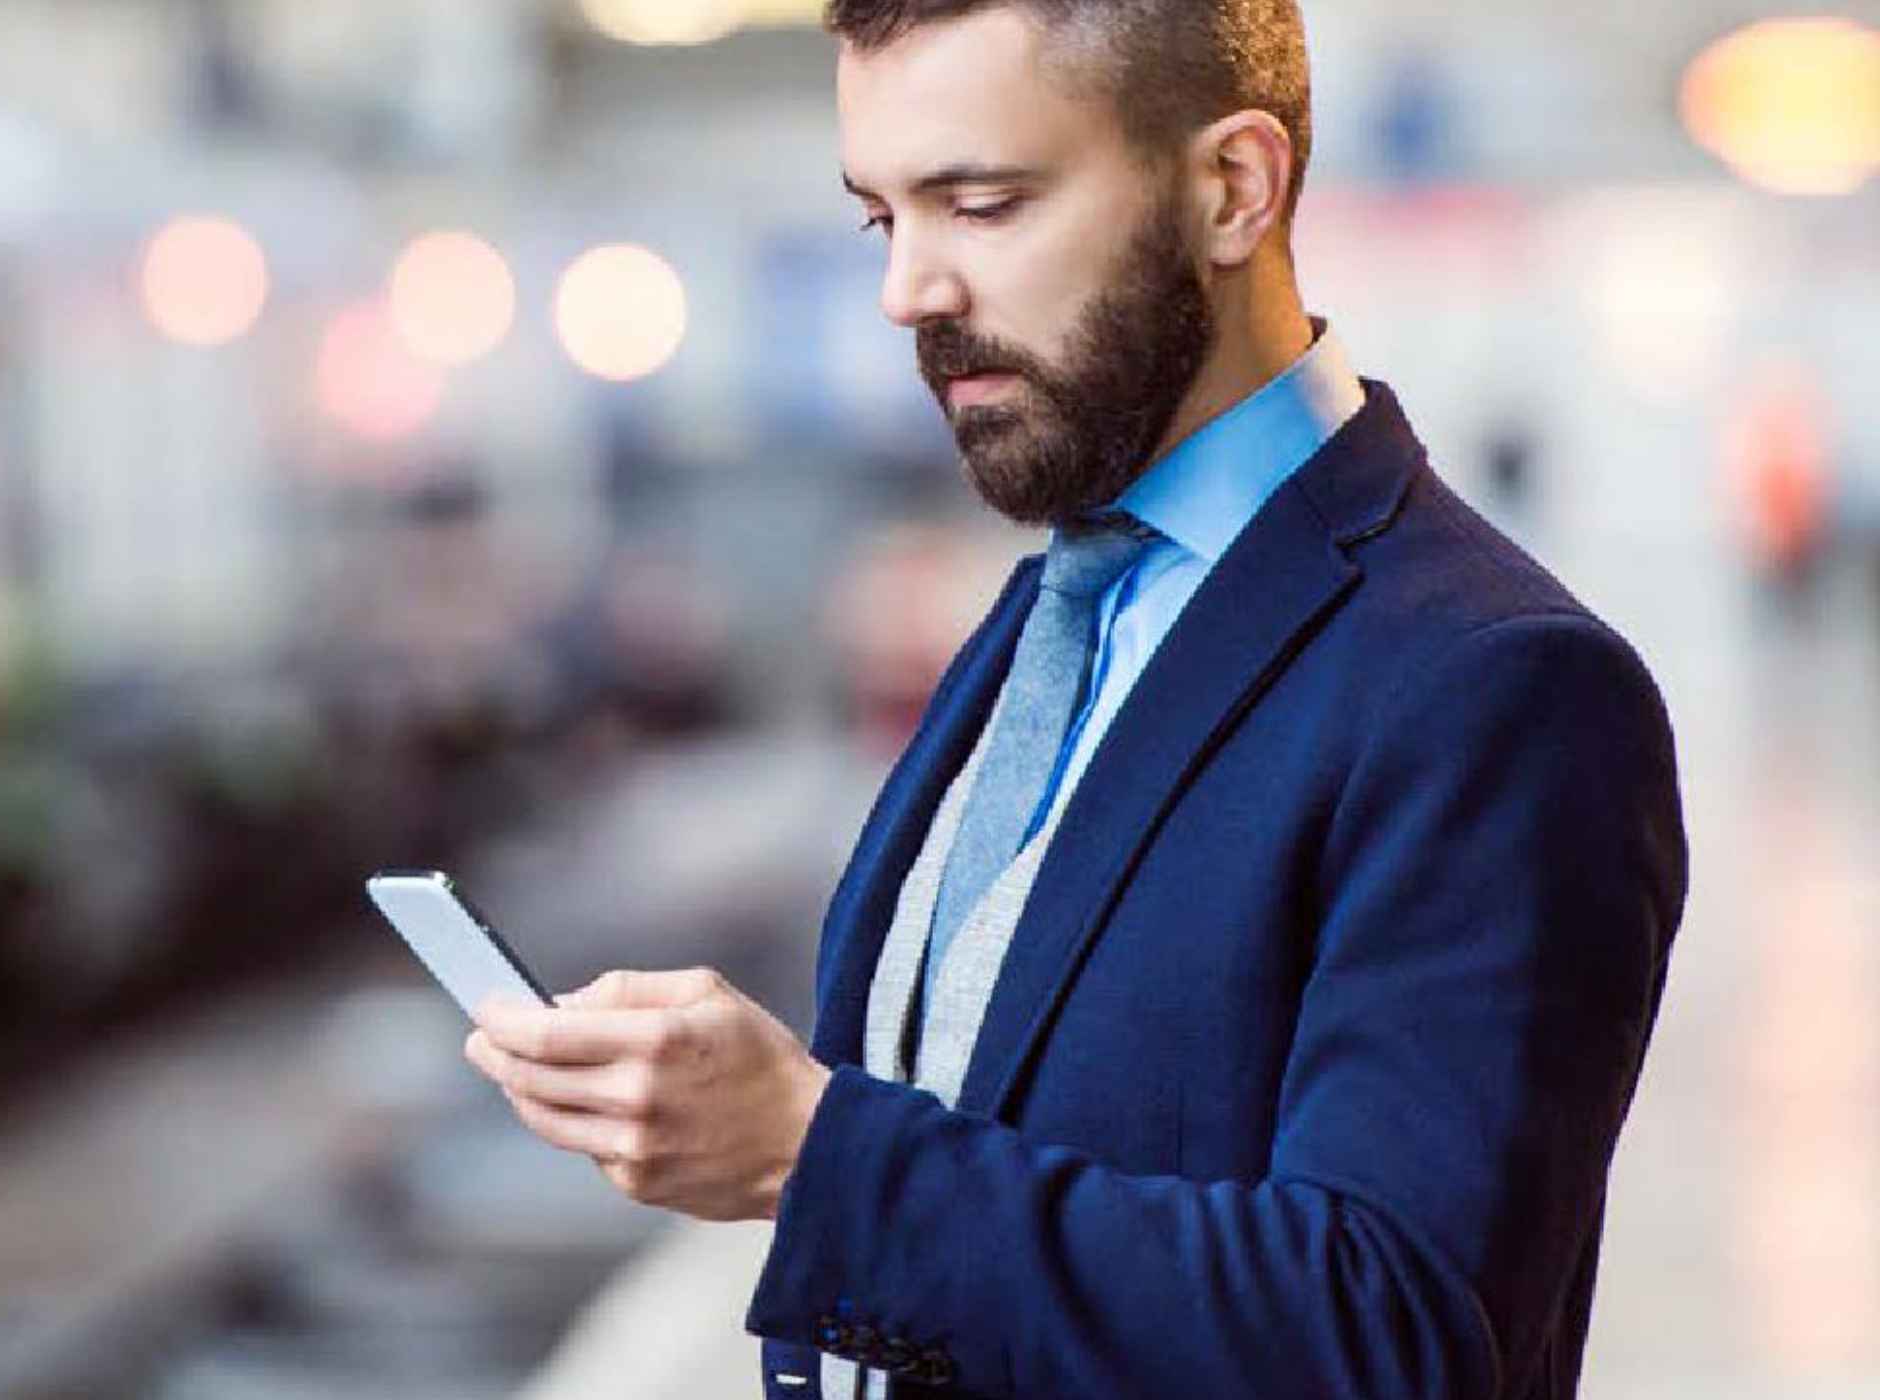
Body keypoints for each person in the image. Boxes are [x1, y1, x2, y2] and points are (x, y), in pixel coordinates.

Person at [460, 2, 1688, 1396]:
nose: (908, 291)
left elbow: (1385, 1333)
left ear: (1232, 189)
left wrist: (810, 1154)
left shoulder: (1494, 686)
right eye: (884, 221)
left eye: (980, 207)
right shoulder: (1060, 607)